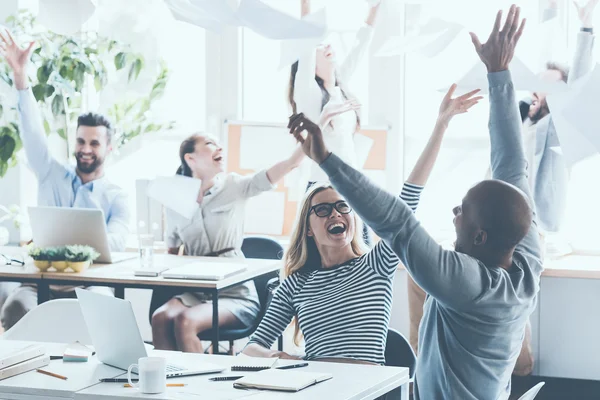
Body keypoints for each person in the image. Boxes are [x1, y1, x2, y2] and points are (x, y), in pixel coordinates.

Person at [289, 5, 544, 399]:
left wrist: (326, 160)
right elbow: (512, 167)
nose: (454, 213)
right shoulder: (525, 252)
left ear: (479, 237)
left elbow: (397, 222)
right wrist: (498, 74)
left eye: (463, 210)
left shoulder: (467, 284)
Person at [242, 86, 481, 365]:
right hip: (316, 386)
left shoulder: (376, 264)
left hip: (368, 390)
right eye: (322, 209)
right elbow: (250, 348)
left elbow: (409, 198)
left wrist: (441, 124)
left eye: (343, 206)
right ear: (308, 228)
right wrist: (280, 357)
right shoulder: (295, 284)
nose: (336, 214)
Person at [0, 30, 129, 331]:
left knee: (102, 314)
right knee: (16, 306)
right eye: (81, 140)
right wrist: (21, 77)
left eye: (94, 143)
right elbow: (32, 133)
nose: (85, 149)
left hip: (90, 282)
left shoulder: (116, 195)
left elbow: (117, 242)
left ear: (109, 148)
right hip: (42, 281)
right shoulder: (50, 173)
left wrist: (78, 246)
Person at [150, 134, 304, 353]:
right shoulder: (176, 201)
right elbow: (173, 253)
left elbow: (286, 166)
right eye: (210, 143)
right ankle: (170, 382)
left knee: (185, 321)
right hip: (196, 291)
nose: (219, 147)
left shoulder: (234, 186)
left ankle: (197, 385)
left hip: (235, 294)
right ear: (190, 159)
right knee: (160, 318)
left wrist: (310, 140)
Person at [291, 0, 380, 244]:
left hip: (352, 182)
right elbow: (306, 41)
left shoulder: (341, 87)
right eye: (320, 45)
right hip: (323, 184)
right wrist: (306, 6)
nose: (326, 45)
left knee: (360, 251)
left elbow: (360, 47)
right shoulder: (308, 92)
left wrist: (373, 12)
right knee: (326, 252)